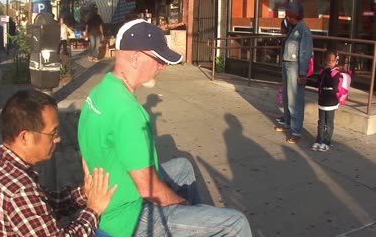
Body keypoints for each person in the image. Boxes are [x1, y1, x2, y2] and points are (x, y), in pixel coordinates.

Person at [78, 19, 252, 237]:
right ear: (134, 57)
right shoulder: (129, 112)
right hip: (129, 217)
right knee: (235, 223)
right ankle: (195, 220)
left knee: (183, 166)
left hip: (111, 195)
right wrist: (182, 204)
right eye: (159, 59)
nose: (163, 66)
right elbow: (148, 189)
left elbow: (86, 153)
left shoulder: (99, 92)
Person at [0, 89, 117, 236]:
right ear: (25, 137)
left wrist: (85, 193)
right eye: (53, 133)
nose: (58, 139)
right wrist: (94, 210)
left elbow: (44, 203)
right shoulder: (20, 190)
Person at [274, 1, 313, 144]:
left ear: (293, 15)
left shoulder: (303, 30)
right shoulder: (292, 28)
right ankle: (288, 123)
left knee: (295, 99)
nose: (286, 17)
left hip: (295, 66)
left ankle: (296, 130)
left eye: (288, 15)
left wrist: (303, 73)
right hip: (287, 64)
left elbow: (305, 52)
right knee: (286, 96)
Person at [312, 50, 340, 152]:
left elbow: (331, 84)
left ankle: (326, 141)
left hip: (331, 102)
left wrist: (328, 71)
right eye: (328, 60)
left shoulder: (336, 73)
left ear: (336, 61)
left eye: (332, 60)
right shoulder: (322, 72)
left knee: (329, 123)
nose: (330, 62)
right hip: (322, 101)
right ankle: (319, 139)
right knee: (321, 122)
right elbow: (317, 84)